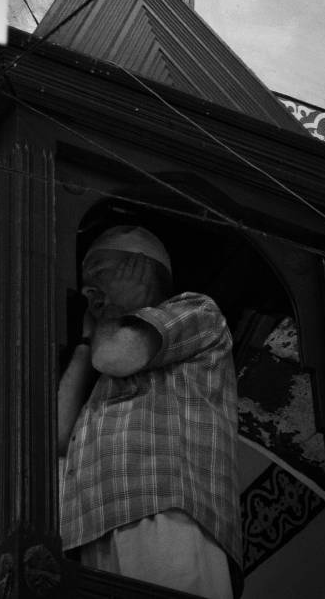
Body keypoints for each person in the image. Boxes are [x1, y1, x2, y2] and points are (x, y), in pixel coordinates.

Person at [58, 225, 242, 599]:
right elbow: (58, 433)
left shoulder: (197, 310)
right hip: (94, 530)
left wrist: (115, 311)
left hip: (164, 513)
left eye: (100, 273)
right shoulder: (102, 373)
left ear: (141, 269)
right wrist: (83, 340)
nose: (88, 289)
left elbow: (117, 355)